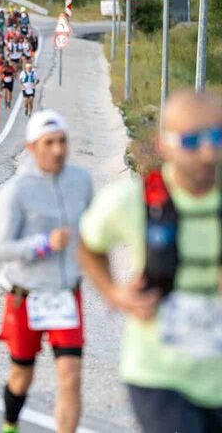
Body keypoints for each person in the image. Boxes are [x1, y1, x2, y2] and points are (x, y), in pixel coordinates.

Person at [78, 90, 222, 433]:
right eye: (191, 141)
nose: (207, 152)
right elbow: (87, 243)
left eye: (216, 136)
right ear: (163, 145)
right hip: (159, 375)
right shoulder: (133, 200)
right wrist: (114, 293)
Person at [0, 110, 92, 433]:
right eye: (49, 143)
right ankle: (10, 424)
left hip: (65, 294)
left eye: (63, 142)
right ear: (33, 147)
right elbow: (0, 249)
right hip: (25, 295)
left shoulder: (81, 181)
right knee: (22, 375)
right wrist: (43, 244)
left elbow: (95, 231)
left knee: (71, 376)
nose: (58, 150)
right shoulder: (16, 190)